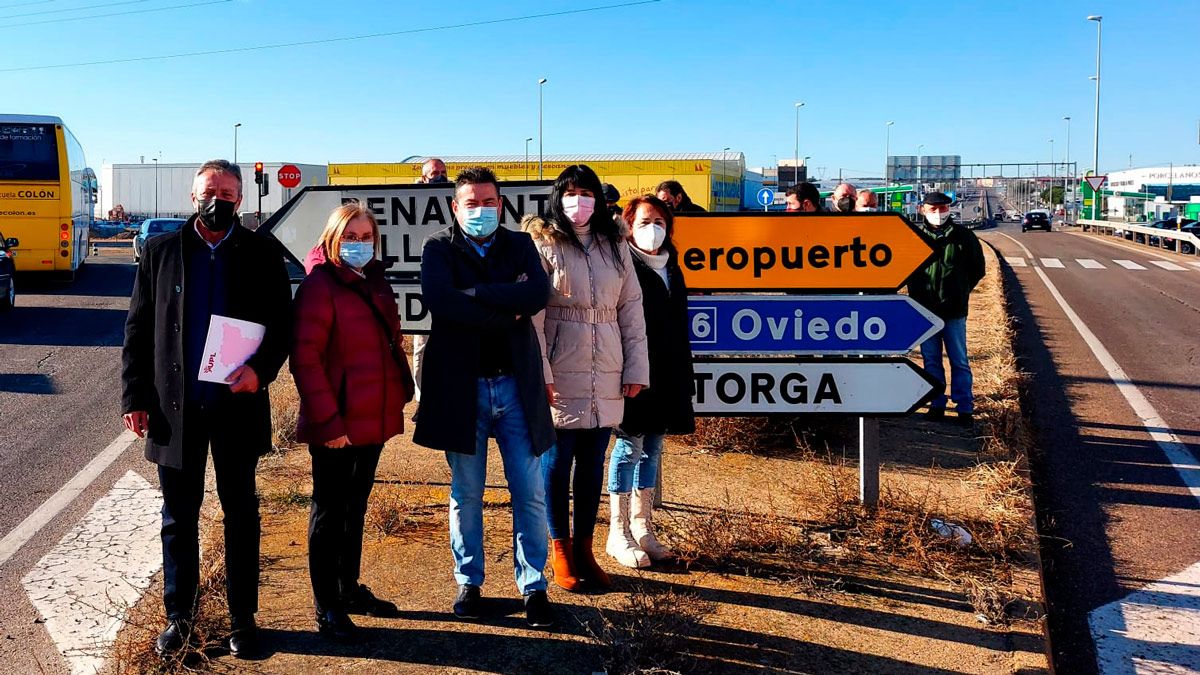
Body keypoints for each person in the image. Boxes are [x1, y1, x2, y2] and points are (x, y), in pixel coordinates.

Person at [121, 160, 291, 659]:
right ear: (192, 195)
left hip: (236, 404)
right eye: (209, 190)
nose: (218, 199)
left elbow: (281, 323)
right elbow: (137, 330)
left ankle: (243, 619)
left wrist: (261, 370)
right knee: (179, 515)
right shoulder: (161, 251)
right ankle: (181, 616)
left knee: (241, 512)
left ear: (241, 199)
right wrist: (134, 398)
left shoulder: (261, 253)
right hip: (176, 409)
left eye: (229, 192)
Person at [414, 167, 559, 629]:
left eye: (488, 202)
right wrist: (505, 308)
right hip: (463, 388)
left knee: (529, 492)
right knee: (466, 493)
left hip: (517, 385)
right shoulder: (439, 248)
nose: (480, 210)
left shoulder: (519, 245)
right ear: (455, 208)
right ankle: (469, 581)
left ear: (501, 205)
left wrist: (477, 294)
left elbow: (537, 293)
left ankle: (534, 587)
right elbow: (441, 302)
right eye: (470, 203)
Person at [291, 202, 415, 641]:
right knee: (329, 510)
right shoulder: (319, 286)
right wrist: (329, 423)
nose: (359, 244)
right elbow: (305, 359)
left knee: (355, 505)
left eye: (366, 237)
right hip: (338, 423)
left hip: (374, 417)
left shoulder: (374, 281)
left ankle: (349, 587)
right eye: (350, 236)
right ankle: (326, 606)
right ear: (331, 238)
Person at [524, 164, 650, 591]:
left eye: (587, 192)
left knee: (593, 463)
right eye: (571, 192)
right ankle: (558, 551)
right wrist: (541, 370)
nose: (580, 201)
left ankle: (585, 548)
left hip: (608, 365)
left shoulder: (615, 244)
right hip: (562, 367)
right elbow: (533, 316)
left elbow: (631, 309)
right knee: (557, 464)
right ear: (558, 197)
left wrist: (636, 368)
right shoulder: (542, 242)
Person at [606, 196, 694, 569]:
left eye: (659, 220)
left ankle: (644, 528)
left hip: (669, 372)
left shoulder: (673, 266)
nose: (652, 228)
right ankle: (618, 531)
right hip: (633, 374)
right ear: (628, 224)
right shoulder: (621, 264)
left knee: (653, 448)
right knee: (629, 447)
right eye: (643, 221)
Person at [907, 192, 985, 427]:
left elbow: (977, 269)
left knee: (959, 360)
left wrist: (960, 291)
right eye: (933, 209)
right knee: (931, 360)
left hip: (954, 311)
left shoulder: (964, 237)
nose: (938, 214)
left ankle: (964, 407)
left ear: (949, 209)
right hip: (924, 311)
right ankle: (936, 403)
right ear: (922, 209)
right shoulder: (914, 237)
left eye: (942, 208)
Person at [410, 157, 450, 408]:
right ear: (423, 177)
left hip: (451, 283)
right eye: (435, 173)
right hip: (419, 285)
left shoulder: (454, 197)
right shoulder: (411, 198)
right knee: (422, 346)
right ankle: (423, 399)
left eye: (444, 172)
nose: (441, 176)